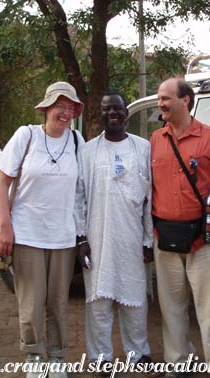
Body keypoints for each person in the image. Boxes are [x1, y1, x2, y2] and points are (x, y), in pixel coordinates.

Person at [150, 78, 210, 378]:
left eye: (165, 98)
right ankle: (179, 362)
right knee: (171, 307)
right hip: (166, 238)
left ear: (185, 100)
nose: (160, 103)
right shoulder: (155, 140)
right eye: (159, 98)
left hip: (204, 238)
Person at [0, 81, 85, 378]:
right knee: (31, 302)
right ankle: (34, 355)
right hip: (27, 234)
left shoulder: (76, 141)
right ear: (46, 108)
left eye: (71, 107)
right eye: (61, 105)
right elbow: (2, 182)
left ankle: (57, 357)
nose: (66, 112)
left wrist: (83, 232)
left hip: (63, 237)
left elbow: (82, 190)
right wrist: (5, 226)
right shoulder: (27, 136)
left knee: (58, 302)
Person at [75, 92, 159, 376]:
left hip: (132, 237)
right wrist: (81, 239)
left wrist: (148, 240)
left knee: (135, 300)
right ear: (100, 114)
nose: (112, 113)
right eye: (106, 108)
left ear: (126, 113)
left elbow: (149, 199)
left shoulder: (143, 148)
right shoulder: (87, 151)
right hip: (97, 238)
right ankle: (101, 357)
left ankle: (138, 352)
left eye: (118, 108)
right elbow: (79, 197)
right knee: (98, 302)